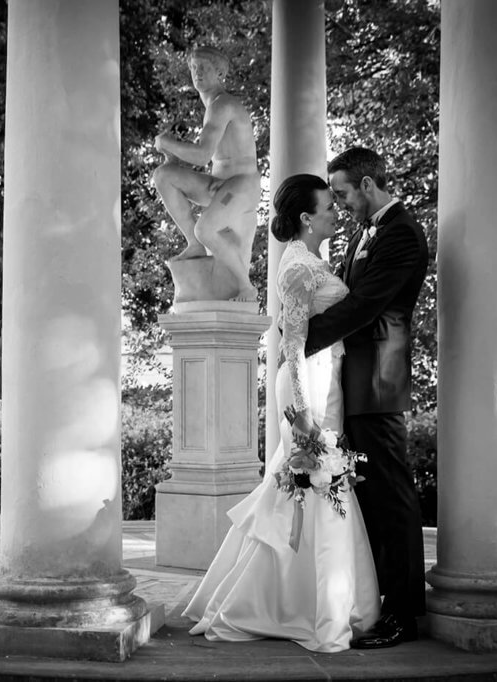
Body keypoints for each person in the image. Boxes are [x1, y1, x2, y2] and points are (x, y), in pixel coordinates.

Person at [183, 174, 380, 653]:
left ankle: (302, 598)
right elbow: (289, 342)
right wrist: (303, 413)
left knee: (308, 489)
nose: (337, 212)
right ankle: (301, 607)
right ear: (307, 218)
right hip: (305, 383)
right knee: (313, 484)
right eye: (329, 206)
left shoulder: (313, 259)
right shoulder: (296, 266)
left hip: (324, 378)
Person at [305, 147, 429, 649]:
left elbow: (365, 304)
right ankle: (379, 602)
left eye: (342, 193)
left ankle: (403, 614)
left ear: (369, 185)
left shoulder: (399, 234)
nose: (339, 203)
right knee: (370, 499)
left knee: (392, 499)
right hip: (354, 383)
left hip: (378, 382)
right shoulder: (365, 230)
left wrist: (300, 338)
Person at [151, 46, 260, 302]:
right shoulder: (212, 105)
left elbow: (201, 155)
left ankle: (246, 287)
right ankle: (193, 244)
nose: (197, 73)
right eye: (194, 68)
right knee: (164, 175)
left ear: (220, 73)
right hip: (219, 184)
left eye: (204, 68)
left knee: (207, 229)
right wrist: (173, 157)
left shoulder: (223, 105)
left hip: (241, 185)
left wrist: (167, 143)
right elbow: (204, 156)